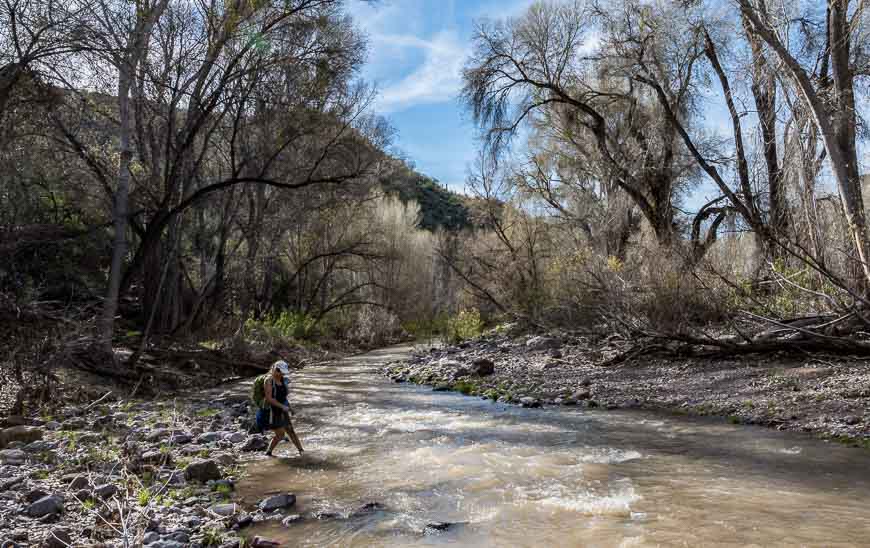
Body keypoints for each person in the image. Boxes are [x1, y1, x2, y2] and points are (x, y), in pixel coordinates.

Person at [263, 360, 304, 457]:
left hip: (283, 409)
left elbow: (283, 397)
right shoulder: (268, 380)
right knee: (280, 434)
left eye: (283, 372)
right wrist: (283, 407)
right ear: (275, 370)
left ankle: (301, 451)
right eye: (280, 372)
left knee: (291, 431)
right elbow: (269, 398)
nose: (282, 374)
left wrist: (290, 408)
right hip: (272, 411)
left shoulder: (282, 380)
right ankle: (268, 452)